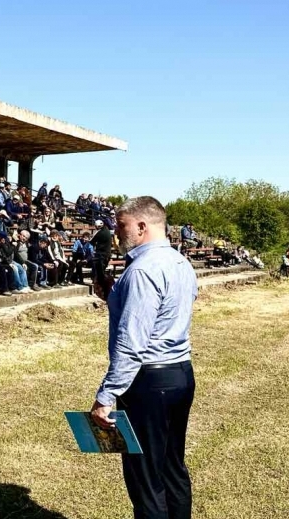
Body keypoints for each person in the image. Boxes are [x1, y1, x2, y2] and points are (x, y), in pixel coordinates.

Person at [90, 196, 197, 519]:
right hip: (180, 373)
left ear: (141, 226)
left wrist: (106, 396)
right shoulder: (180, 263)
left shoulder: (141, 270)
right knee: (171, 467)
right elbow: (166, 312)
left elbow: (133, 342)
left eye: (121, 225)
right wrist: (115, 295)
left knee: (145, 478)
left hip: (148, 380)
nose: (116, 231)